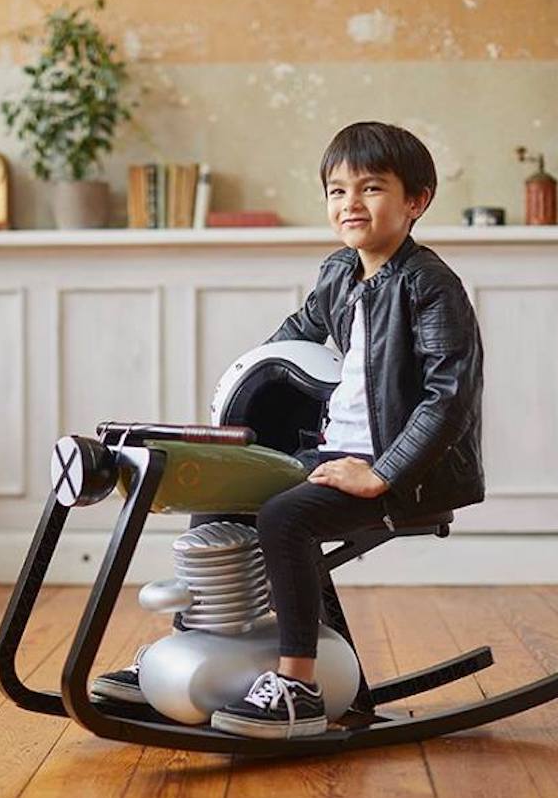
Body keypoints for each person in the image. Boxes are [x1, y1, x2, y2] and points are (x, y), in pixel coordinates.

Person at [94, 122, 485, 739]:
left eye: (372, 188)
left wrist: (382, 472)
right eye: (336, 191)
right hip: (333, 455)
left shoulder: (430, 286)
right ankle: (194, 652)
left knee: (284, 518)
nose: (350, 204)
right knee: (221, 498)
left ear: (417, 201)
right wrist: (235, 412)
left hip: (408, 471)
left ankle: (299, 685)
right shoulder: (338, 274)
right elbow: (287, 342)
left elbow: (449, 397)